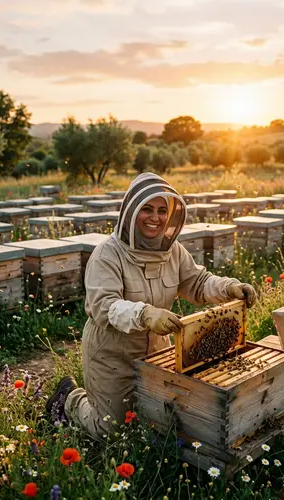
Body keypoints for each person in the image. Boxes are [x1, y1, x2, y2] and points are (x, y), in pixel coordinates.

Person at [46, 173, 256, 438]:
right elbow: (104, 306)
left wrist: (228, 287)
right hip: (112, 353)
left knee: (157, 418)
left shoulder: (174, 250)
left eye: (161, 210)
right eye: (146, 209)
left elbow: (197, 281)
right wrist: (144, 314)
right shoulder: (107, 254)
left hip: (157, 349)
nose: (154, 217)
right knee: (111, 430)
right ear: (131, 211)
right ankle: (69, 398)